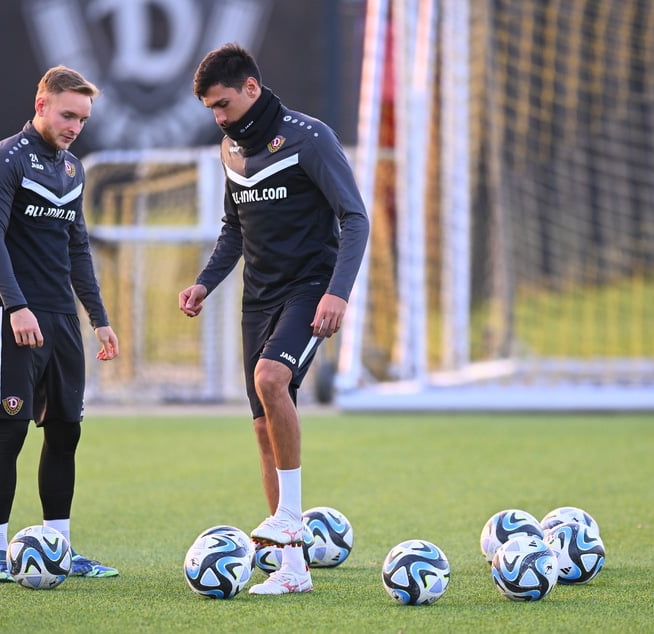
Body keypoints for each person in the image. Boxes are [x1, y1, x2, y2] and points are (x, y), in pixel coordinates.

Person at [179, 43, 369, 595]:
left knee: (270, 379)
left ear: (251, 89)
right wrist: (204, 283)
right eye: (210, 109)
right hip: (257, 300)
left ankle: (289, 521)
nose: (218, 116)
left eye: (223, 104)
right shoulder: (230, 150)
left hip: (311, 289)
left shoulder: (311, 138)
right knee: (263, 427)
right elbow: (234, 228)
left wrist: (337, 293)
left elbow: (354, 217)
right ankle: (293, 570)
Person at [0, 65, 120, 582]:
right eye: (67, 114)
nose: (75, 126)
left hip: (60, 320)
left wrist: (98, 319)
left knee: (65, 434)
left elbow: (77, 247)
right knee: (11, 431)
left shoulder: (72, 171)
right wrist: (16, 307)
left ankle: (58, 546)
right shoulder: (3, 160)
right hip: (14, 314)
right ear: (41, 105)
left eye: (82, 118)